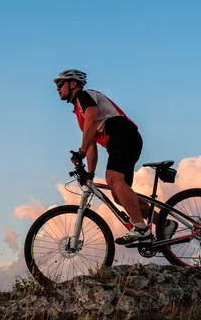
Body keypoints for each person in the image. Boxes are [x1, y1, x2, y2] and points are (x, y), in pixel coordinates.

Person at [54, 69, 154, 245]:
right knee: (118, 193)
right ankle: (163, 223)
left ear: (73, 84)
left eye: (60, 84)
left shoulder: (84, 97)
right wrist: (89, 174)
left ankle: (141, 229)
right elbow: (92, 145)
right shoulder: (79, 112)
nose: (57, 88)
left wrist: (81, 152)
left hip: (122, 135)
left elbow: (92, 122)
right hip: (122, 141)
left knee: (114, 180)